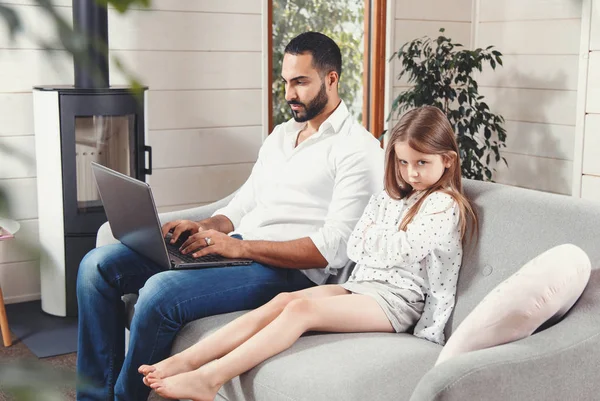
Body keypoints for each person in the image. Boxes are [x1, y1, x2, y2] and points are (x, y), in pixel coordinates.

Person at [76, 31, 384, 401]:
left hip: (289, 274)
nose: (289, 94)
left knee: (159, 292)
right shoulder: (282, 136)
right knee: (96, 267)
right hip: (238, 252)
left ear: (331, 79)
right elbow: (244, 202)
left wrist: (241, 249)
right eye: (286, 82)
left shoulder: (359, 150)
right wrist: (208, 226)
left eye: (300, 82)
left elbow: (331, 249)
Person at [137, 105, 478, 401]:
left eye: (422, 162)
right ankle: (186, 360)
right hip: (365, 287)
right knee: (283, 300)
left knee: (301, 310)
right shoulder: (391, 198)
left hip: (400, 302)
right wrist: (379, 242)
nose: (411, 173)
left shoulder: (443, 205)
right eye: (403, 162)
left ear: (447, 161)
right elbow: (356, 245)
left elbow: (403, 249)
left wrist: (378, 241)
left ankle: (209, 379)